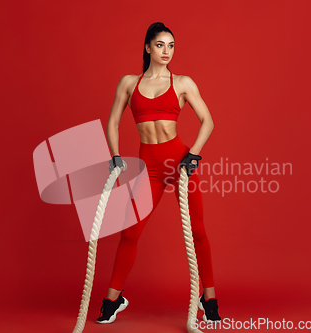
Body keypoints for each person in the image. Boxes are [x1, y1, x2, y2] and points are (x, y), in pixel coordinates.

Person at [98, 22, 221, 324]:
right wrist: (114, 156)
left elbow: (208, 121)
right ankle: (114, 300)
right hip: (148, 168)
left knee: (198, 231)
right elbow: (112, 122)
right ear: (148, 47)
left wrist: (192, 155)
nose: (167, 51)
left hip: (178, 162)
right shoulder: (129, 83)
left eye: (171, 45)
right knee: (130, 233)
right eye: (161, 45)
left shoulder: (182, 83)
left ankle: (210, 297)